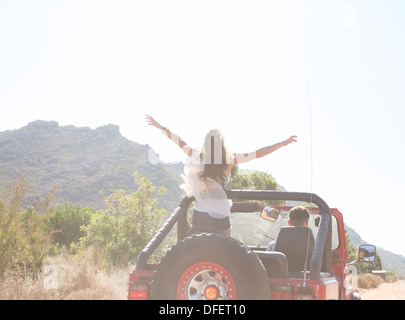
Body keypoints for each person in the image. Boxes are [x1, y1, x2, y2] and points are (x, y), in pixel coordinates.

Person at [145, 115, 297, 237]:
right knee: (225, 254)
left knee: (196, 251)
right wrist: (282, 143)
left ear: (205, 143)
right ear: (222, 144)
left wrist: (161, 127)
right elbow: (258, 154)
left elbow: (178, 141)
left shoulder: (197, 155)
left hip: (200, 213)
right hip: (221, 215)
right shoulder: (229, 161)